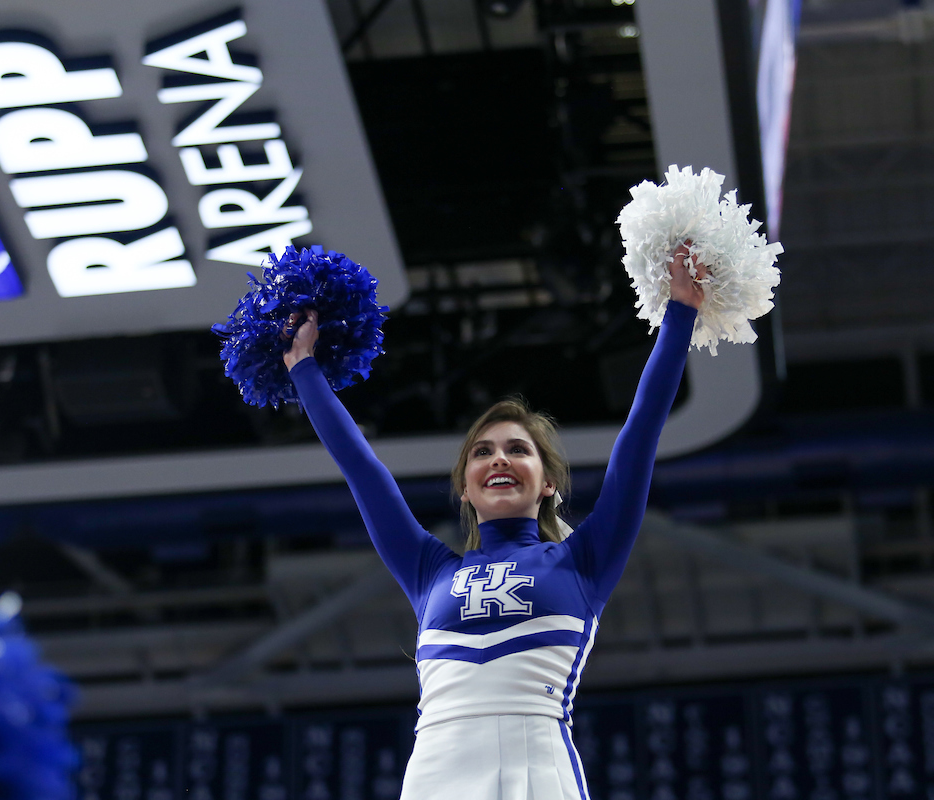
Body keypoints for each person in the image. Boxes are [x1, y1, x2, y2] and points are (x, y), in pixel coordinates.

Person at [282, 245, 706, 800]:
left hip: (538, 772)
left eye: (518, 450)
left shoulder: (585, 561)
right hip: (435, 776)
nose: (499, 459)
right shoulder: (426, 571)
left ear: (547, 482)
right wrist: (304, 369)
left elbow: (640, 435)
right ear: (465, 487)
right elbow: (361, 467)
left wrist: (680, 313)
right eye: (482, 452)